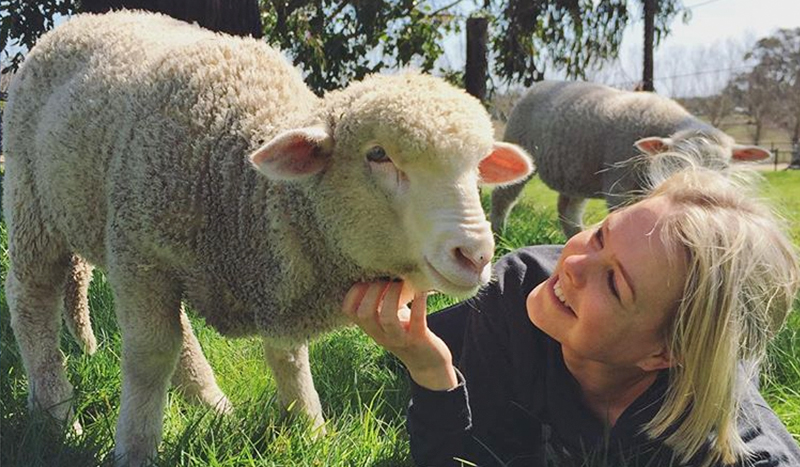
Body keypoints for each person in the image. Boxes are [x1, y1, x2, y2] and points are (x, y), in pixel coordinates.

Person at [343, 151, 800, 467]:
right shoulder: (518, 291)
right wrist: (429, 368)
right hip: (487, 323)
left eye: (615, 283)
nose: (574, 264)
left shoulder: (726, 442)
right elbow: (472, 456)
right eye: (601, 234)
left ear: (663, 354)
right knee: (409, 352)